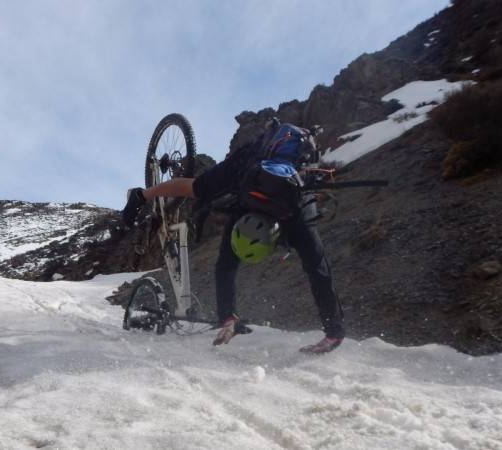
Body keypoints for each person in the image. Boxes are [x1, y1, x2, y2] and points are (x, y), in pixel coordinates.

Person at [122, 119, 345, 354]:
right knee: (199, 189)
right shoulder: (241, 178)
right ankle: (141, 195)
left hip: (289, 185)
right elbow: (320, 272)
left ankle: (333, 331)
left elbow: (225, 267)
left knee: (202, 197)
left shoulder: (299, 214)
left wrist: (227, 318)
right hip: (255, 167)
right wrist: (142, 197)